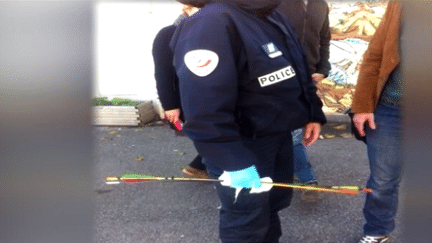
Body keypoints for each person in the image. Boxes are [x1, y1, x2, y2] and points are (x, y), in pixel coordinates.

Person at [171, 0, 326, 242]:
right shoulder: (211, 23)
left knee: (272, 207)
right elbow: (203, 110)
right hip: (242, 146)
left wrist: (313, 112)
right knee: (246, 220)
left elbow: (298, 67)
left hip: (278, 136)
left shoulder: (271, 14)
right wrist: (233, 162)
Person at [351, 1, 403, 242]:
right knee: (382, 181)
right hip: (391, 109)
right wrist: (362, 105)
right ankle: (377, 233)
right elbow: (375, 54)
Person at [277, 0, 331, 203]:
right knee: (291, 131)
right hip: (279, 74)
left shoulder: (321, 4)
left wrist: (323, 68)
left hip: (307, 76)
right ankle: (308, 180)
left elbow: (324, 40)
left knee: (294, 131)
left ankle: (307, 181)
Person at [152, 4, 208, 178]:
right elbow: (163, 74)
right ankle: (205, 166)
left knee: (212, 133)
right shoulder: (167, 34)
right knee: (201, 133)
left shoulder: (209, 32)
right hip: (184, 100)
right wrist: (170, 106)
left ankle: (200, 165)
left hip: (206, 96)